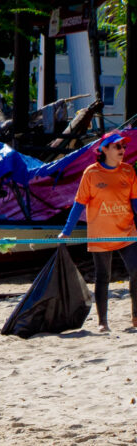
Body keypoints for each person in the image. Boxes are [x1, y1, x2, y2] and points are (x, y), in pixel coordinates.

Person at [59, 131, 137, 332]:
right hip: (101, 234)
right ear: (104, 149)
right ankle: (103, 322)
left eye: (123, 146)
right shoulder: (91, 173)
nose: (122, 150)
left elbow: (135, 203)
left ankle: (136, 316)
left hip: (126, 231)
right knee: (103, 276)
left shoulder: (128, 172)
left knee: (136, 271)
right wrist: (66, 231)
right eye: (117, 146)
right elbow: (78, 204)